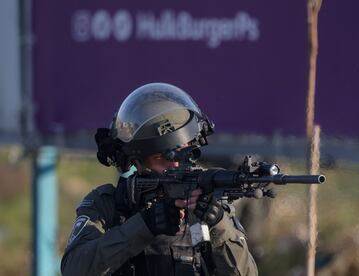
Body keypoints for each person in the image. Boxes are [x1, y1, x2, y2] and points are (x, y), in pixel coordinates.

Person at [61, 83, 258, 276]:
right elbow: (74, 268)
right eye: (162, 158)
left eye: (185, 153)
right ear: (136, 161)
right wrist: (145, 225)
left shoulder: (206, 207)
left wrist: (219, 227)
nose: (175, 165)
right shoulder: (108, 204)